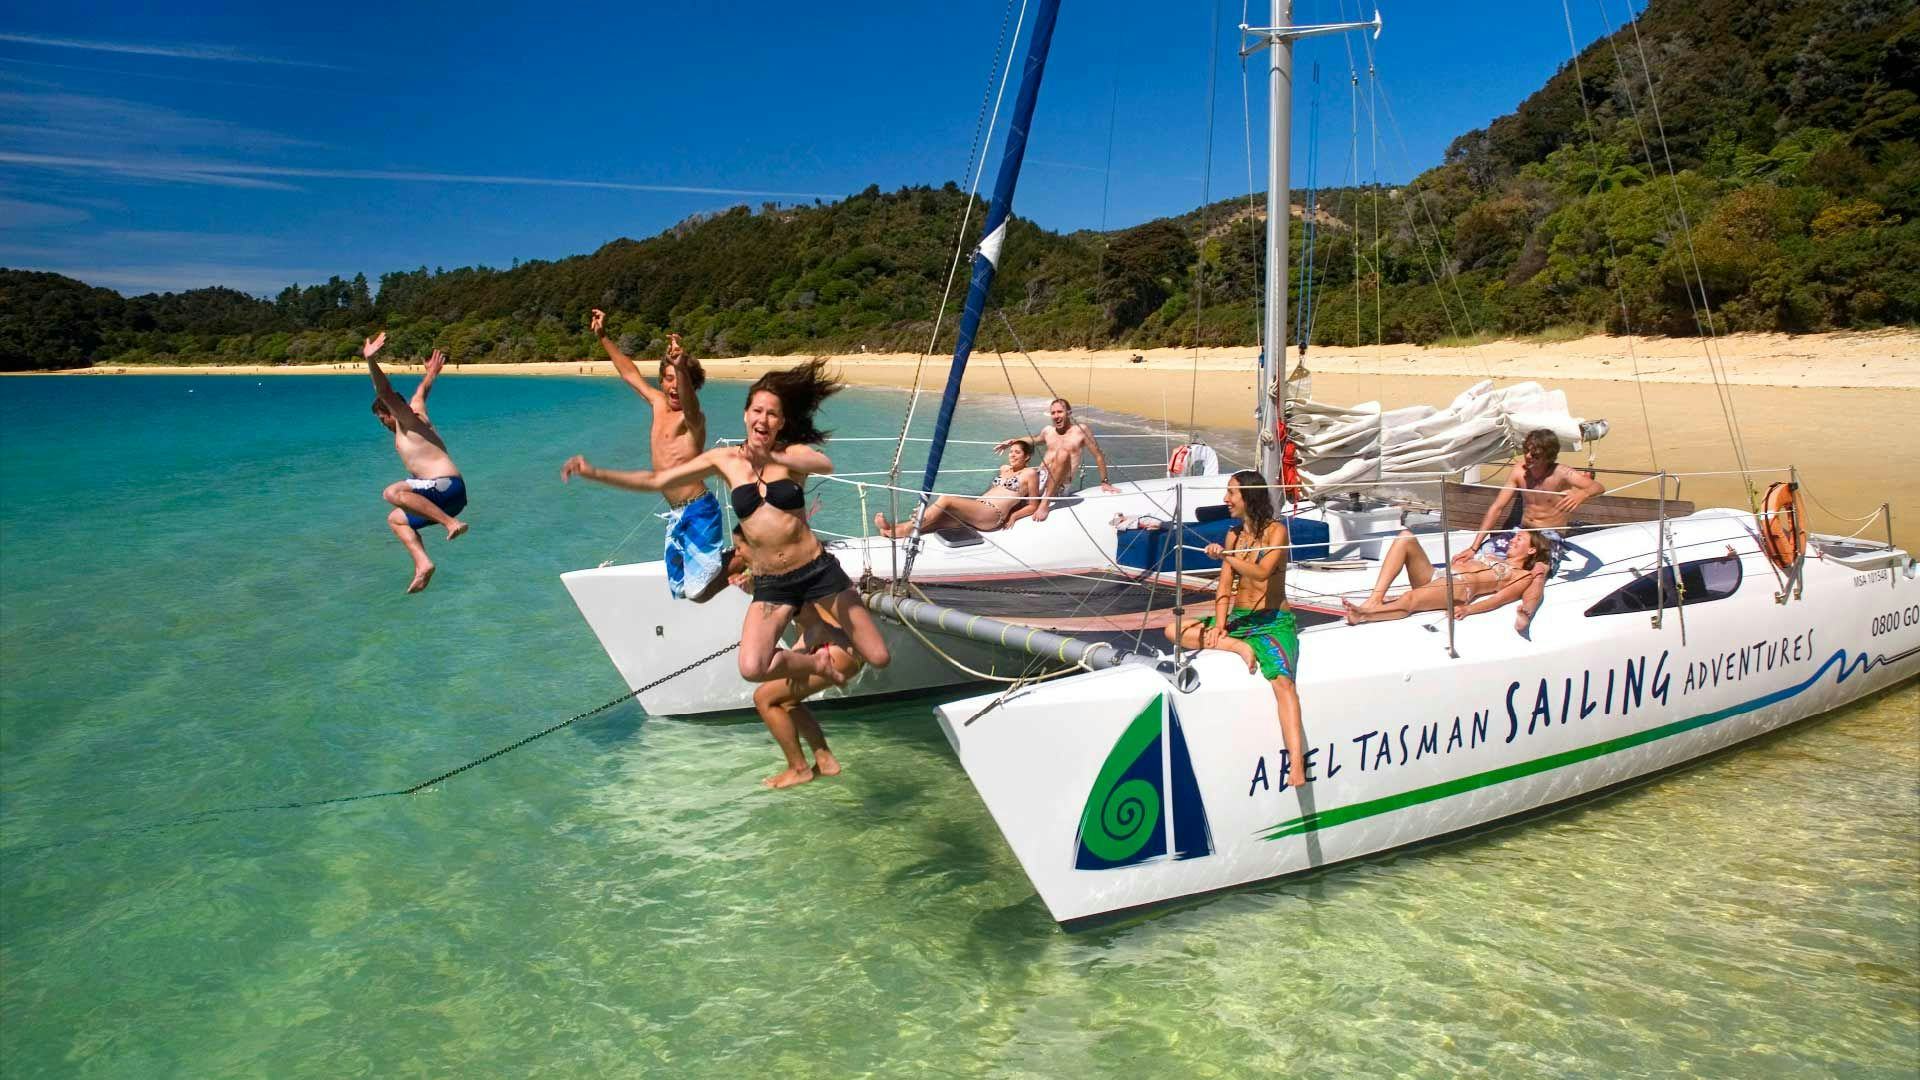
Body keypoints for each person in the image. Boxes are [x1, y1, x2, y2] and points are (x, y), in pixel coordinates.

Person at [560, 358, 892, 692]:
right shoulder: (726, 460)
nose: (763, 419)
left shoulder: (790, 454)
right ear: (746, 415)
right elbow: (655, 479)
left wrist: (773, 458)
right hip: (773, 583)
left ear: (781, 422)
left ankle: (823, 632)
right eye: (757, 411)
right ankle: (816, 656)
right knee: (752, 667)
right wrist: (595, 472)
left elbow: (824, 464)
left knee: (879, 657)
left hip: (817, 570)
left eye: (772, 414)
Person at [1164, 470, 1308, 789]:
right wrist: (1220, 626)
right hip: (1239, 621)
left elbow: (1260, 573)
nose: (1225, 500)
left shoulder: (1276, 533)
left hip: (1272, 620)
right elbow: (1225, 588)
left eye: (1232, 493)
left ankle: (1296, 765)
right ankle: (1238, 648)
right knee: (1174, 630)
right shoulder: (1233, 535)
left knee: (1283, 684)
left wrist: (1227, 556)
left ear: (1250, 498)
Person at [587, 310, 721, 600]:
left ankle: (743, 556)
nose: (674, 386)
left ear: (691, 385)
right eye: (668, 378)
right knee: (680, 589)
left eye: (680, 379)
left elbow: (690, 404)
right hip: (676, 514)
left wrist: (681, 366)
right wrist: (603, 337)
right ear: (661, 381)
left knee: (699, 591)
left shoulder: (693, 418)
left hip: (699, 511)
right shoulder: (658, 404)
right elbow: (629, 373)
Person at [715, 530, 860, 788]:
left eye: (739, 547)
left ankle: (799, 768)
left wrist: (760, 593)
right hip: (837, 646)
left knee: (764, 698)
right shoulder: (792, 571)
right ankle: (824, 760)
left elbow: (809, 625)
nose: (736, 553)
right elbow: (811, 622)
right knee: (787, 700)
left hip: (835, 649)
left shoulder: (783, 581)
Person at [365, 333, 468, 593]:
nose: (383, 424)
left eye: (382, 418)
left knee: (393, 492)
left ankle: (450, 524)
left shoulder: (407, 420)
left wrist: (371, 360)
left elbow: (383, 390)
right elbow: (422, 390)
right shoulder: (417, 410)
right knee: (396, 520)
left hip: (445, 487)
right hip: (449, 497)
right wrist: (431, 372)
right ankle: (423, 564)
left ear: (391, 411)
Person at [1342, 527, 1549, 636]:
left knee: (1411, 598)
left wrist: (1470, 610)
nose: (1513, 540)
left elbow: (1499, 600)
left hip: (1459, 587)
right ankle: (1375, 600)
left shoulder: (1520, 574)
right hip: (1439, 575)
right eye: (1514, 537)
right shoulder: (1494, 557)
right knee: (1405, 537)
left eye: (1519, 539)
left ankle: (1365, 614)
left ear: (1531, 550)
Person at [1465, 428, 1606, 578]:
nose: (1528, 456)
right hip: (1522, 530)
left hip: (1549, 535)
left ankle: (1522, 595)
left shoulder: (1562, 473)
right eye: (1526, 450)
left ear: (1548, 456)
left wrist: (1582, 494)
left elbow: (1597, 487)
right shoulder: (1519, 470)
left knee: (1536, 569)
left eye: (1535, 454)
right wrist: (1473, 547)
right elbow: (1497, 508)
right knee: (1483, 553)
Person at [871, 439, 1039, 537]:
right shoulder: (1004, 469)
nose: (1012, 455)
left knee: (946, 499)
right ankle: (895, 529)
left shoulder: (1030, 473)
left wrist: (1014, 516)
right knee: (936, 522)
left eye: (1017, 452)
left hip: (992, 514)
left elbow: (1033, 505)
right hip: (978, 508)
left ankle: (907, 526)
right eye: (1011, 452)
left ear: (1027, 457)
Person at [998, 398, 1120, 524]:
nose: (1056, 416)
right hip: (1039, 479)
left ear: (1069, 413)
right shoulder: (1048, 431)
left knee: (1062, 454)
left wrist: (1104, 481)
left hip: (1059, 485)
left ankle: (1045, 504)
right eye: (1053, 413)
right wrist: (1013, 441)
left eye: (1060, 412)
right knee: (1006, 469)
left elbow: (1098, 455)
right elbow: (1034, 439)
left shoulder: (1081, 431)